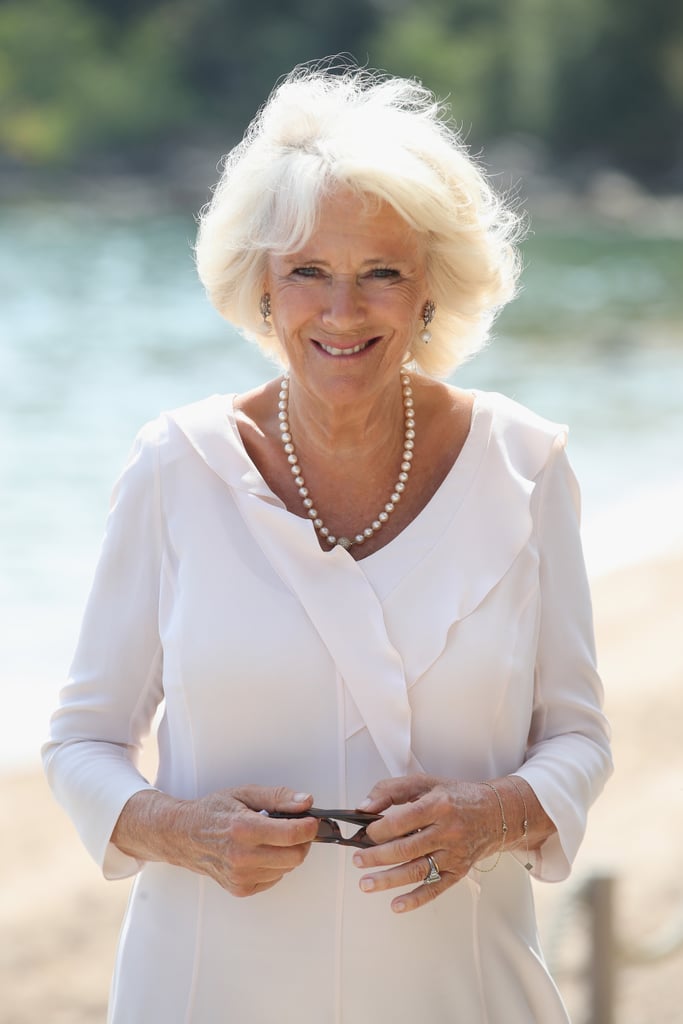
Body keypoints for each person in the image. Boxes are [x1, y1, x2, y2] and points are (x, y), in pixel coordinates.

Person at [43, 63, 612, 1023]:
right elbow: (81, 742)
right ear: (261, 287)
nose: (341, 310)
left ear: (432, 288)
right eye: (308, 270)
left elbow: (577, 738)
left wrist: (496, 816)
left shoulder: (526, 466)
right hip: (205, 990)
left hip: (463, 990)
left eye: (380, 272)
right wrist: (182, 831)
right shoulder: (172, 468)